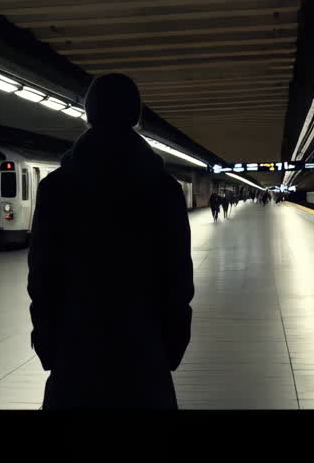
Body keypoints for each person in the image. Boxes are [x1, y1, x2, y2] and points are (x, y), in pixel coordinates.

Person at [27, 73, 195, 409]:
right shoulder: (164, 190)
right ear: (136, 115)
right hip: (145, 354)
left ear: (89, 114)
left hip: (75, 352)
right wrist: (169, 350)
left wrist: (49, 347)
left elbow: (43, 279)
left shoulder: (56, 189)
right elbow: (177, 281)